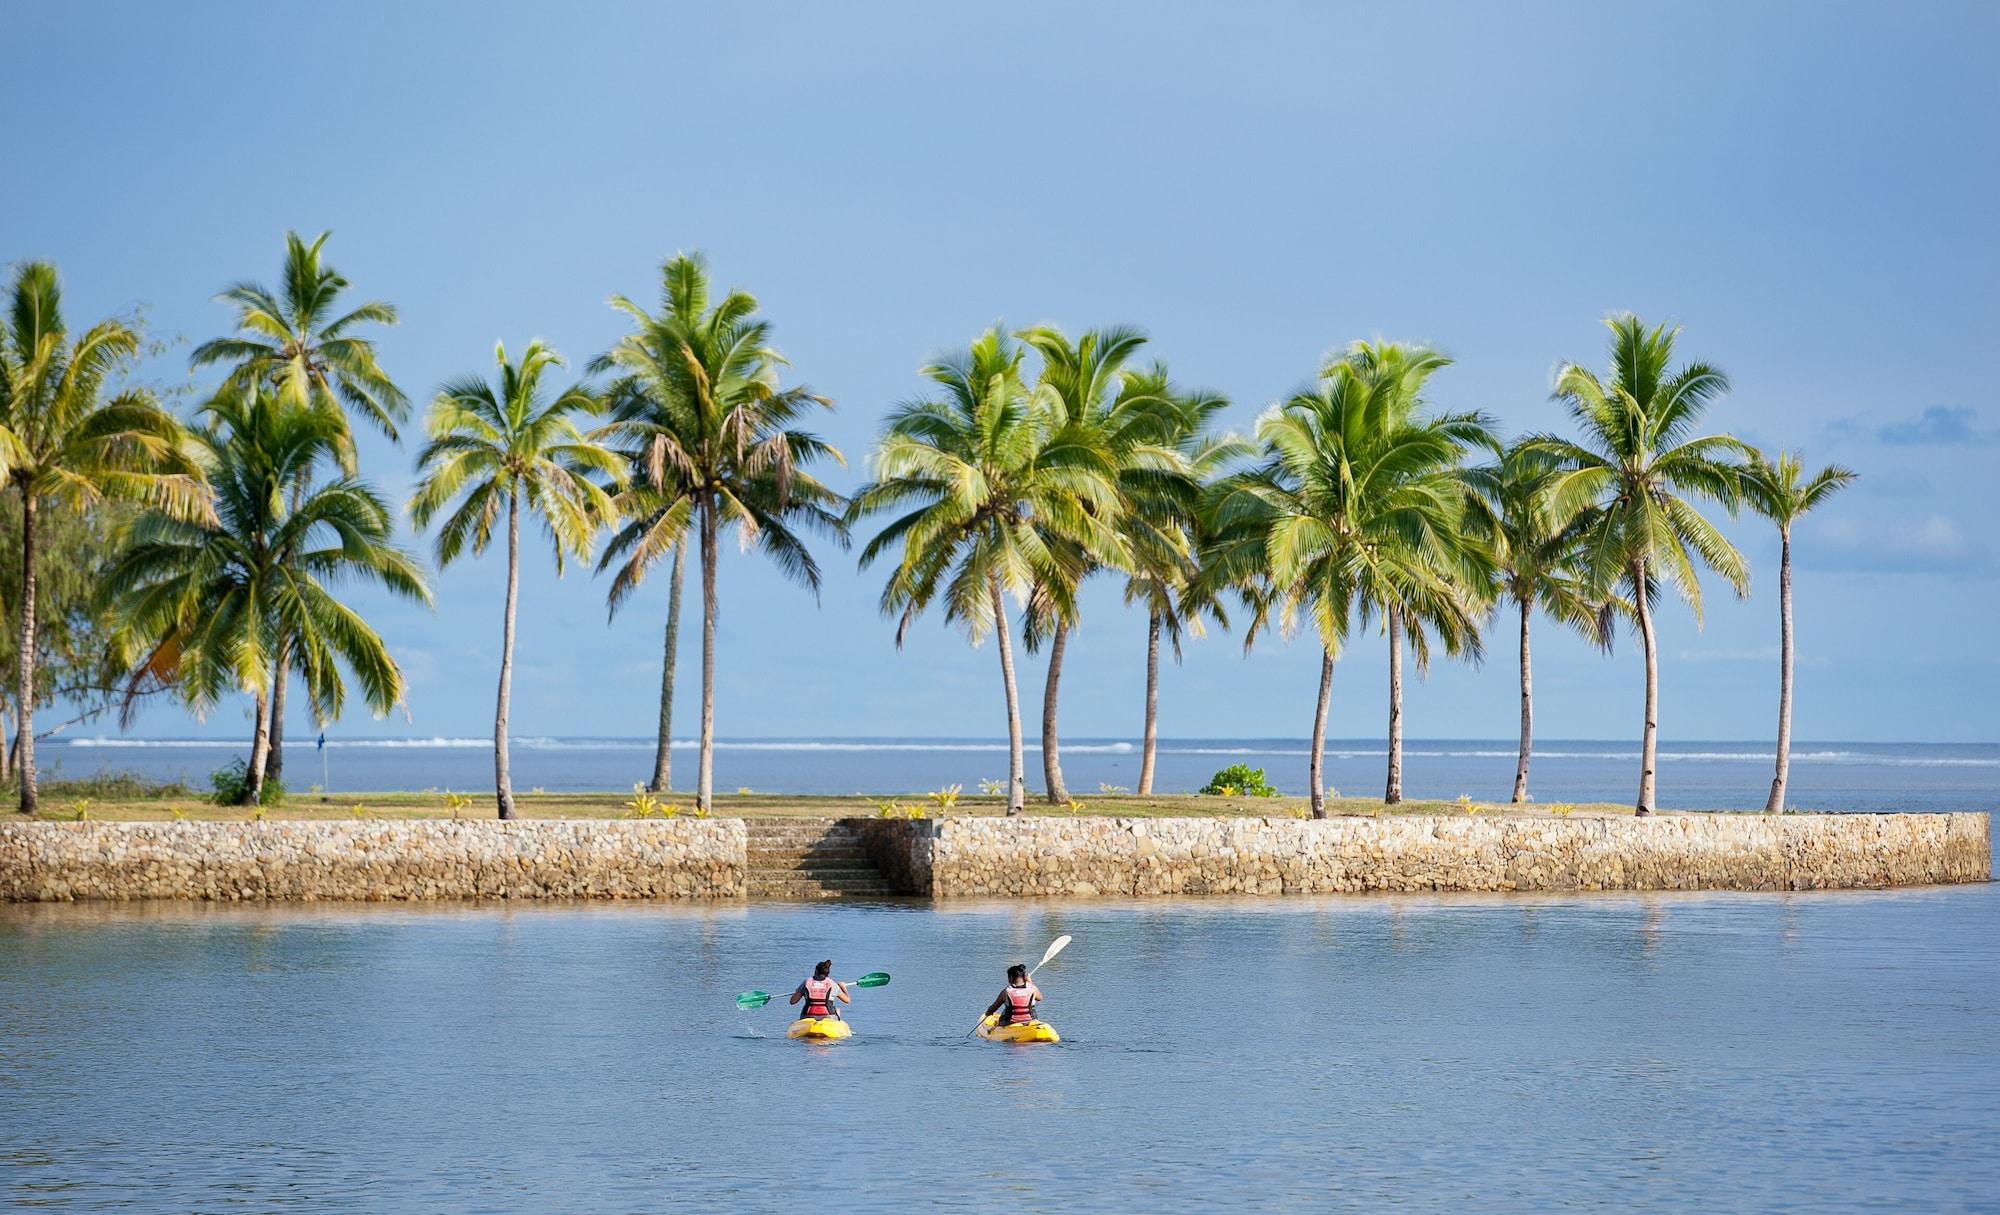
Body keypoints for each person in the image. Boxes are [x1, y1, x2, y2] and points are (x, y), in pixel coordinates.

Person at [983, 963, 1042, 1028]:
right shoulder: (1032, 988)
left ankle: (998, 1025)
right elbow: (1039, 998)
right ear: (1024, 977)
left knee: (1004, 1012)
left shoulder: (1006, 991)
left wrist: (988, 1013)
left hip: (1010, 1022)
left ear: (1010, 977)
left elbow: (993, 1008)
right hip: (1031, 1020)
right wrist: (1030, 981)